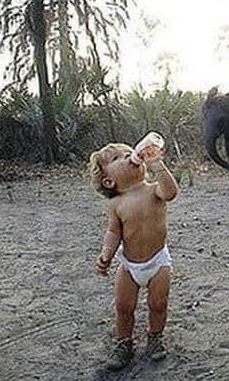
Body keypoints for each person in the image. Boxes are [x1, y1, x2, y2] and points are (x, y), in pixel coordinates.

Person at [88, 141, 178, 371]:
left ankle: (155, 337)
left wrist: (157, 163)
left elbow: (171, 192)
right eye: (119, 158)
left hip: (158, 261)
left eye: (130, 152)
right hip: (128, 265)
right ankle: (124, 342)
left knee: (158, 304)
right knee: (123, 306)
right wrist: (106, 254)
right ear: (109, 181)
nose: (130, 156)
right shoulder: (116, 203)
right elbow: (113, 232)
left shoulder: (152, 189)